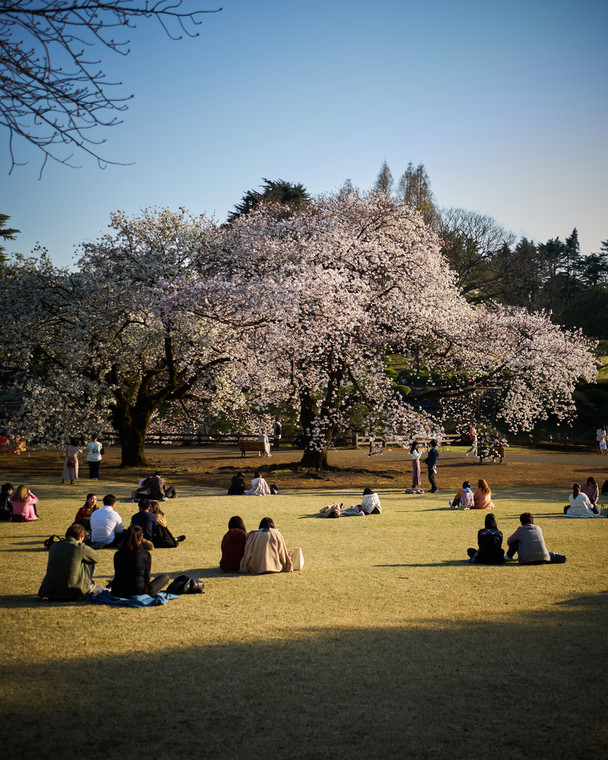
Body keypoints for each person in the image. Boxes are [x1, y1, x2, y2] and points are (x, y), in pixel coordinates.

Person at [38, 523, 102, 600]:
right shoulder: (80, 548)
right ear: (80, 538)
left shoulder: (54, 546)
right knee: (89, 560)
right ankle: (88, 584)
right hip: (74, 591)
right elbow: (97, 558)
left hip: (50, 590)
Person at [110, 525, 170, 598]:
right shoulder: (144, 554)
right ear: (141, 538)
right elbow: (146, 576)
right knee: (165, 577)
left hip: (118, 591)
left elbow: (118, 573)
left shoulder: (118, 554)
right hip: (138, 591)